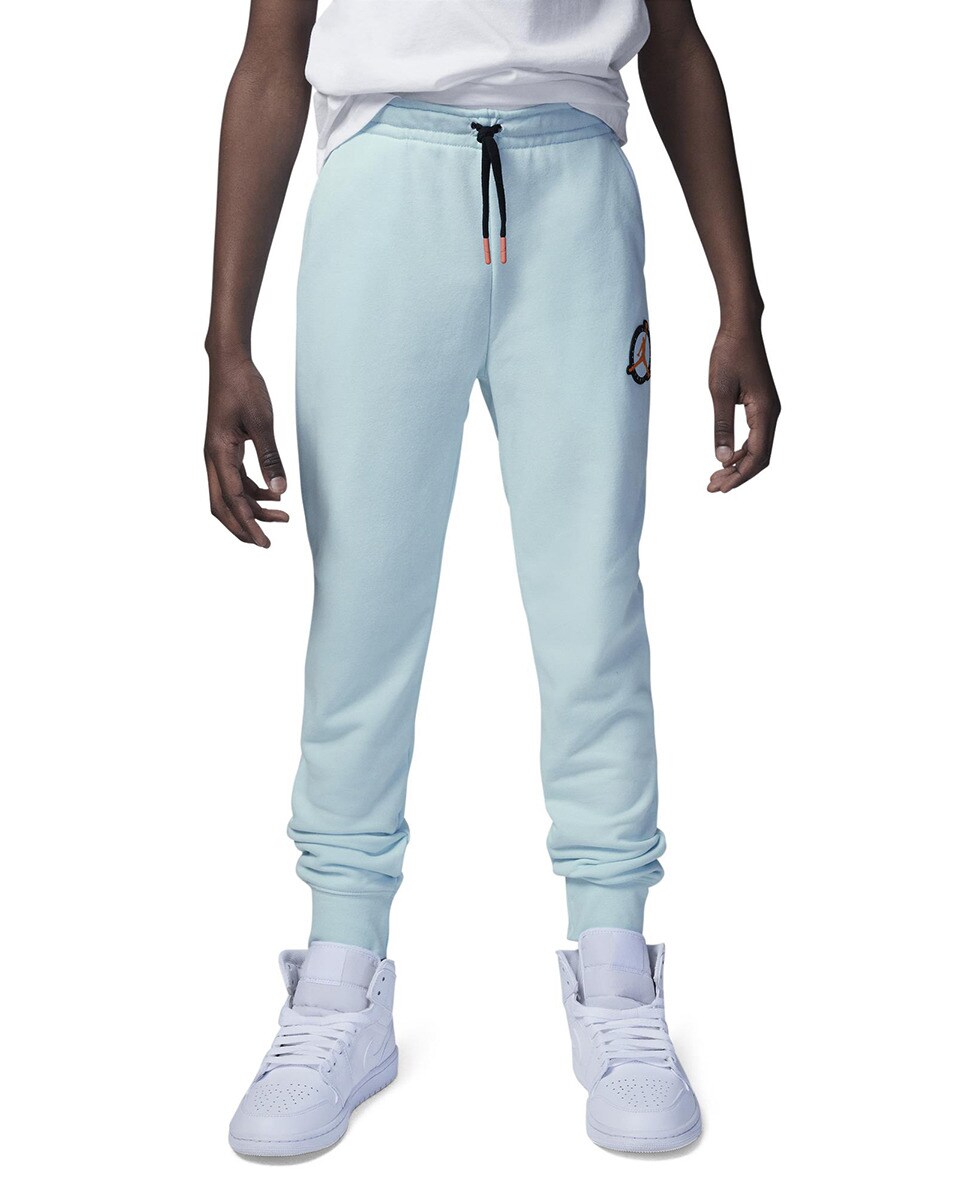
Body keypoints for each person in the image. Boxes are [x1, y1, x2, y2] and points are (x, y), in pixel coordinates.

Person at [206, 0, 780, 1158]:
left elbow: (672, 39)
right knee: (362, 609)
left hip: (576, 199)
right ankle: (340, 979)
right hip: (383, 194)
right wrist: (227, 340)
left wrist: (741, 304)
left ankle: (615, 970)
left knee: (591, 602)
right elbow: (271, 56)